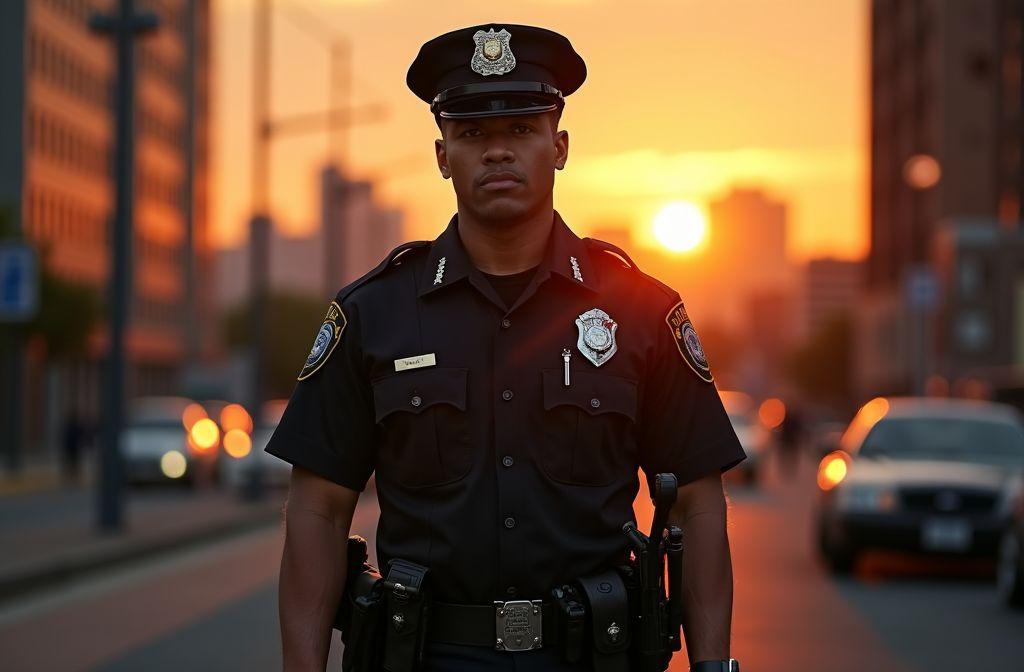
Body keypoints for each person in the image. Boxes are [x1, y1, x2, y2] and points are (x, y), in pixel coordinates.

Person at [265, 23, 745, 672]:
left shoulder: (641, 311)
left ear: (560, 146)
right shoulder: (373, 313)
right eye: (472, 135)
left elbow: (697, 499)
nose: (497, 153)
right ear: (443, 156)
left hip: (591, 660)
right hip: (425, 657)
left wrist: (714, 666)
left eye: (520, 130)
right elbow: (319, 508)